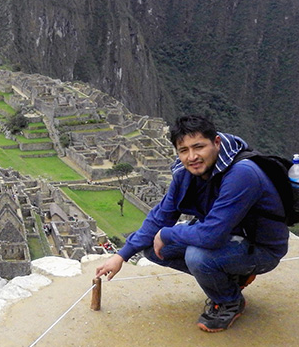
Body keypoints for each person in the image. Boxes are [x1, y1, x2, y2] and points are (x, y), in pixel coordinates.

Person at [95, 115, 289, 332]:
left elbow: (210, 236)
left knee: (198, 256)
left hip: (262, 248)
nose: (192, 156)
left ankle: (229, 301)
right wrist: (121, 255)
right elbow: (161, 216)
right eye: (184, 150)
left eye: (199, 147)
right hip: (228, 237)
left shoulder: (242, 174)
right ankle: (232, 276)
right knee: (152, 248)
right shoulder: (185, 172)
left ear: (216, 143)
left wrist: (167, 234)